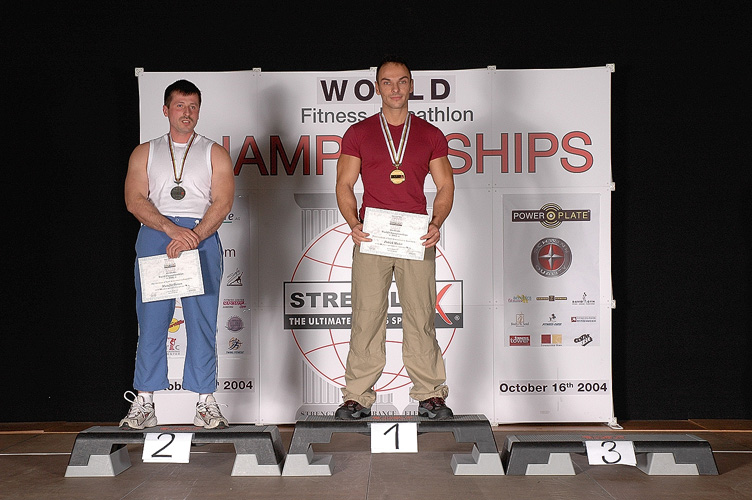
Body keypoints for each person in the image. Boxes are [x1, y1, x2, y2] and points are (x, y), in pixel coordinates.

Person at [334, 56, 455, 420]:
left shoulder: (430, 134)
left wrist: (436, 222)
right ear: (377, 88)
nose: (395, 88)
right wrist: (353, 222)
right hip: (372, 235)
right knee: (367, 316)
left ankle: (430, 395)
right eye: (387, 82)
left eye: (402, 81)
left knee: (420, 316)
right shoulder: (359, 133)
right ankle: (357, 397)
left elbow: (446, 185)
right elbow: (344, 184)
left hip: (416, 237)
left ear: (411, 86)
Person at [121, 79, 235, 429]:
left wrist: (193, 236)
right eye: (180, 105)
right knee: (152, 322)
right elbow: (134, 200)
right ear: (166, 109)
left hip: (200, 236)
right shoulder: (145, 152)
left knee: (202, 322)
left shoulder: (214, 152)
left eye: (193, 106)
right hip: (157, 236)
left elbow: (223, 202)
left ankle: (205, 403)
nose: (187, 112)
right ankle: (144, 402)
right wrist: (172, 230)